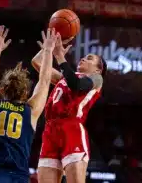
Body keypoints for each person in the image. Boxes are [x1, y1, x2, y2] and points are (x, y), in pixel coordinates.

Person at [0, 26, 59, 183]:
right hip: (16, 177)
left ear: (1, 89)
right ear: (26, 93)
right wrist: (48, 51)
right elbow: (45, 81)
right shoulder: (31, 111)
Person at [32, 33, 107, 183]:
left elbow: (77, 86)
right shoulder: (64, 78)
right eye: (84, 56)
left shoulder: (97, 79)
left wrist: (60, 56)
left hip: (72, 129)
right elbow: (37, 63)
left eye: (90, 58)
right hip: (50, 130)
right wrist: (49, 48)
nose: (84, 58)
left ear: (98, 70)